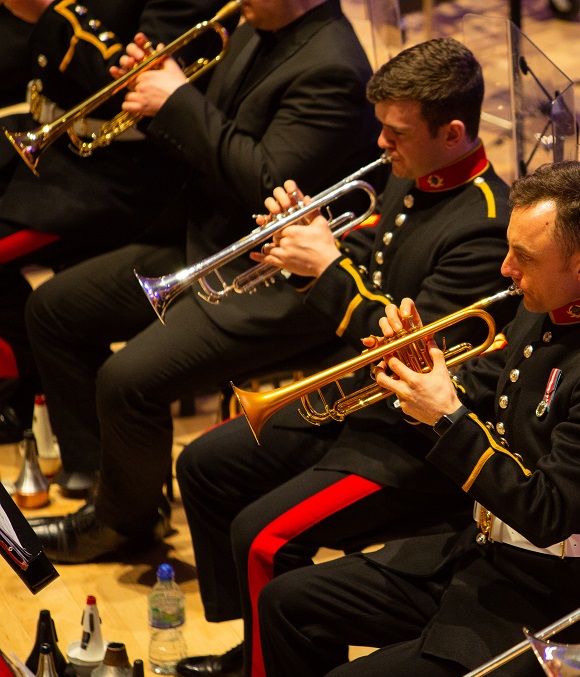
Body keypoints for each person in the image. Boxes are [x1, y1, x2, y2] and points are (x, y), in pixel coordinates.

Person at [256, 160, 580, 677]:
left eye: (523, 258)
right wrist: (417, 367)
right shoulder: (548, 306)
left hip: (548, 600)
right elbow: (483, 384)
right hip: (477, 553)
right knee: (287, 604)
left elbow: (547, 511)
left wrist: (446, 417)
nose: (506, 268)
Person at [171, 37, 516, 677]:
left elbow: (408, 348)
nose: (379, 145)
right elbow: (375, 279)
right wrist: (305, 252)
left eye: (394, 132)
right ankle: (259, 646)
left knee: (263, 536)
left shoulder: (481, 227)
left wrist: (325, 271)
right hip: (352, 406)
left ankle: (283, 675)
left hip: (406, 443)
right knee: (205, 466)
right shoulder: (408, 177)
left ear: (452, 132)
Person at [25, 0, 381, 560]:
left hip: (272, 275)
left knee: (127, 380)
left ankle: (122, 524)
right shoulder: (254, 26)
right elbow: (209, 138)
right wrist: (151, 101)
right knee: (53, 310)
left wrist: (177, 101)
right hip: (205, 240)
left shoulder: (334, 69)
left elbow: (268, 184)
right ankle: (112, 487)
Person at [0, 0, 226, 452]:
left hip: (119, 179)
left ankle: (52, 413)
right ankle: (32, 398)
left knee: (53, 308)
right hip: (49, 155)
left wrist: (50, 9)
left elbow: (125, 88)